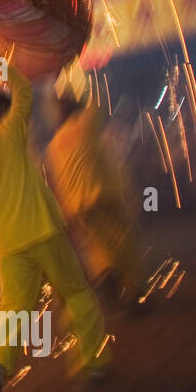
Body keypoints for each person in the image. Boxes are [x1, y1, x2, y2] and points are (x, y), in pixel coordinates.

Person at [0, 32, 110, 392]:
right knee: (77, 292)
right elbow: (24, 92)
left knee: (12, 308)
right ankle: (93, 362)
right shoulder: (11, 135)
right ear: (6, 115)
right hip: (41, 230)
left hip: (6, 245)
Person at [45, 93, 146, 306]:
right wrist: (76, 65)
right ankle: (133, 291)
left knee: (96, 246)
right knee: (122, 241)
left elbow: (55, 182)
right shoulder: (84, 125)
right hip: (101, 195)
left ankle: (105, 275)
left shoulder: (54, 145)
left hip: (74, 206)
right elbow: (97, 99)